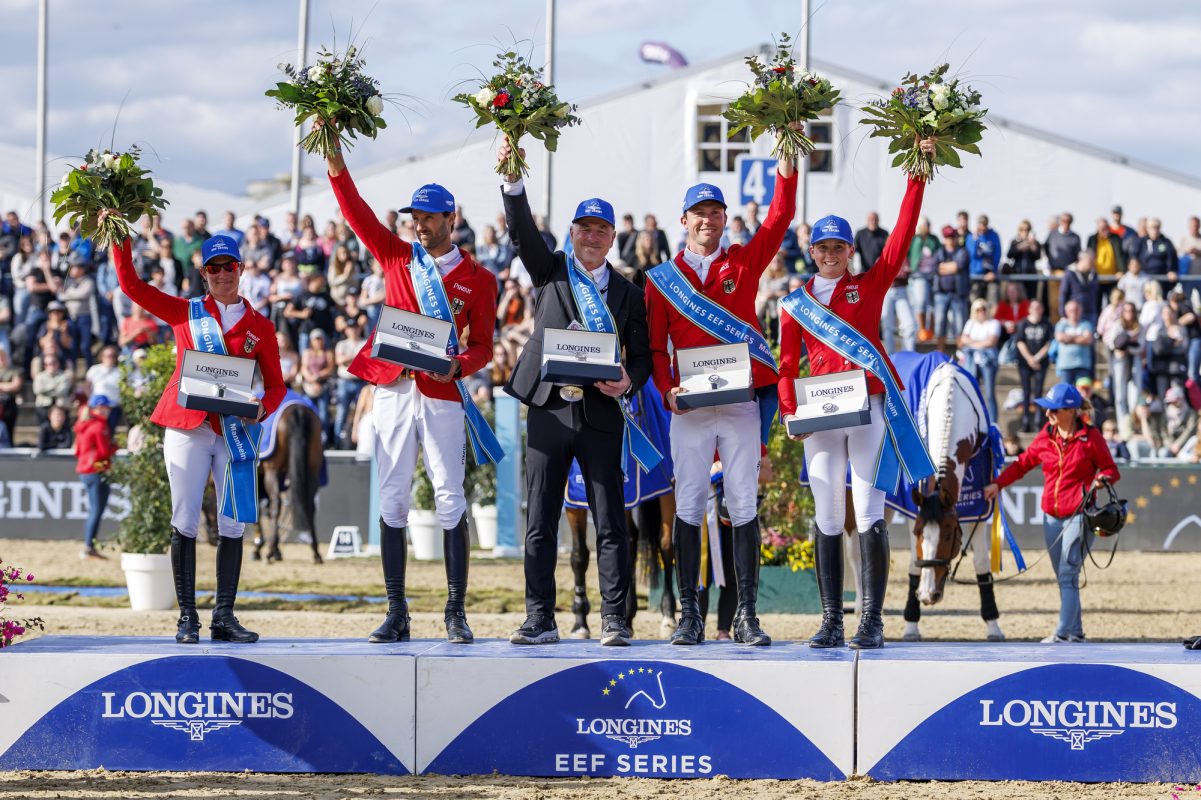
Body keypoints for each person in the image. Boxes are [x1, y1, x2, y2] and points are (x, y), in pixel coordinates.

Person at [326, 124, 498, 645]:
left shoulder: (481, 279)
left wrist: (459, 366)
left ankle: (454, 611)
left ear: (452, 218)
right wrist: (334, 159)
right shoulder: (399, 256)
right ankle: (396, 610)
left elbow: (484, 346)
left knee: (450, 496)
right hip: (394, 389)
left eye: (427, 216)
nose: (418, 224)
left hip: (442, 393)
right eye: (413, 217)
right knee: (393, 497)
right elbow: (355, 212)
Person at [778, 135, 937, 651]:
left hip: (866, 406)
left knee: (869, 511)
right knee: (826, 512)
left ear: (850, 251)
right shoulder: (793, 304)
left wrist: (917, 172)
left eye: (837, 248)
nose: (829, 255)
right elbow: (785, 364)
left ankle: (872, 620)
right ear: (812, 251)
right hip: (820, 414)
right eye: (821, 248)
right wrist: (786, 410)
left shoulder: (869, 285)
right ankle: (831, 620)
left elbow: (903, 234)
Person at [647, 124, 802, 649]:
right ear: (684, 220)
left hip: (738, 404)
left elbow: (780, 217)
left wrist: (786, 159)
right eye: (700, 213)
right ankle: (689, 615)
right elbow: (652, 347)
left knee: (742, 504)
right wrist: (666, 387)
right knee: (689, 506)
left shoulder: (743, 261)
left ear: (725, 220)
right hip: (688, 408)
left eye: (717, 212)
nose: (709, 220)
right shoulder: (660, 280)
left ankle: (746, 615)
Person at [498, 139, 652, 647]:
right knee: (540, 519)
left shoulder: (629, 292)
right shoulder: (552, 269)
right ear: (572, 233)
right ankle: (539, 616)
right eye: (584, 227)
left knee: (611, 520)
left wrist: (630, 380)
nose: (592, 236)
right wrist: (513, 180)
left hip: (601, 414)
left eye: (601, 229)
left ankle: (614, 618)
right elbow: (521, 234)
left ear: (613, 238)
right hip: (548, 409)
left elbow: (643, 356)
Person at [111, 222, 286, 645]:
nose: (222, 273)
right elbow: (131, 285)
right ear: (203, 272)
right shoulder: (184, 312)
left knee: (233, 523)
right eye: (214, 268)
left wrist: (262, 408)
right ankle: (187, 617)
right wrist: (119, 235)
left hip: (232, 432)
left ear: (241, 269)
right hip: (188, 426)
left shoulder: (260, 326)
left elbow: (277, 384)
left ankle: (224, 615)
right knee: (185, 519)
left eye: (229, 266)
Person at [985, 383, 1120, 643]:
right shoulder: (1046, 436)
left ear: (1071, 411)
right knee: (1064, 575)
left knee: (1068, 572)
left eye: (1053, 411)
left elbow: (1111, 469)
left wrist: (1103, 478)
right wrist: (997, 484)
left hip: (1080, 515)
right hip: (1051, 516)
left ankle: (1061, 632)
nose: (1048, 415)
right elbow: (1023, 464)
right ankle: (1076, 632)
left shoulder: (1091, 438)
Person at [75, 394, 117, 559]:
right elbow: (104, 452)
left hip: (86, 471)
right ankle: (88, 547)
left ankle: (89, 546)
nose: (107, 410)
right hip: (96, 470)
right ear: (96, 408)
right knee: (96, 510)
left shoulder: (84, 424)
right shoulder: (99, 426)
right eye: (104, 407)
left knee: (94, 510)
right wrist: (116, 446)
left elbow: (78, 451)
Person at [1015, 300, 1054, 433]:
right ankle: (1025, 419)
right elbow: (1020, 342)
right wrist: (1029, 358)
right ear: (1029, 309)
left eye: (1039, 307)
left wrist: (1037, 358)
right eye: (1034, 308)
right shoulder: (1023, 323)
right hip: (1024, 363)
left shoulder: (1047, 324)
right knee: (1026, 391)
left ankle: (1038, 419)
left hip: (1041, 363)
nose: (1036, 310)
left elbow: (1049, 343)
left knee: (1038, 391)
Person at [959, 299, 1002, 420]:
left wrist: (972, 343)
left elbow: (991, 342)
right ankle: (974, 420)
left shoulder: (993, 323)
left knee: (989, 393)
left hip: (988, 361)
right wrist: (980, 344)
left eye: (983, 309)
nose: (981, 312)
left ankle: (993, 421)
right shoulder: (971, 323)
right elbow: (962, 340)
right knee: (972, 392)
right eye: (978, 310)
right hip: (972, 362)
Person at [932, 225, 970, 353]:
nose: (950, 240)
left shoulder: (962, 251)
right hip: (941, 293)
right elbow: (935, 268)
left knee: (960, 325)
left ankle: (961, 354)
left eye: (952, 237)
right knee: (939, 324)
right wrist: (950, 267)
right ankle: (940, 353)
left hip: (958, 293)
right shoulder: (939, 252)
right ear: (944, 238)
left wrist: (944, 267)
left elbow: (958, 266)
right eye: (948, 237)